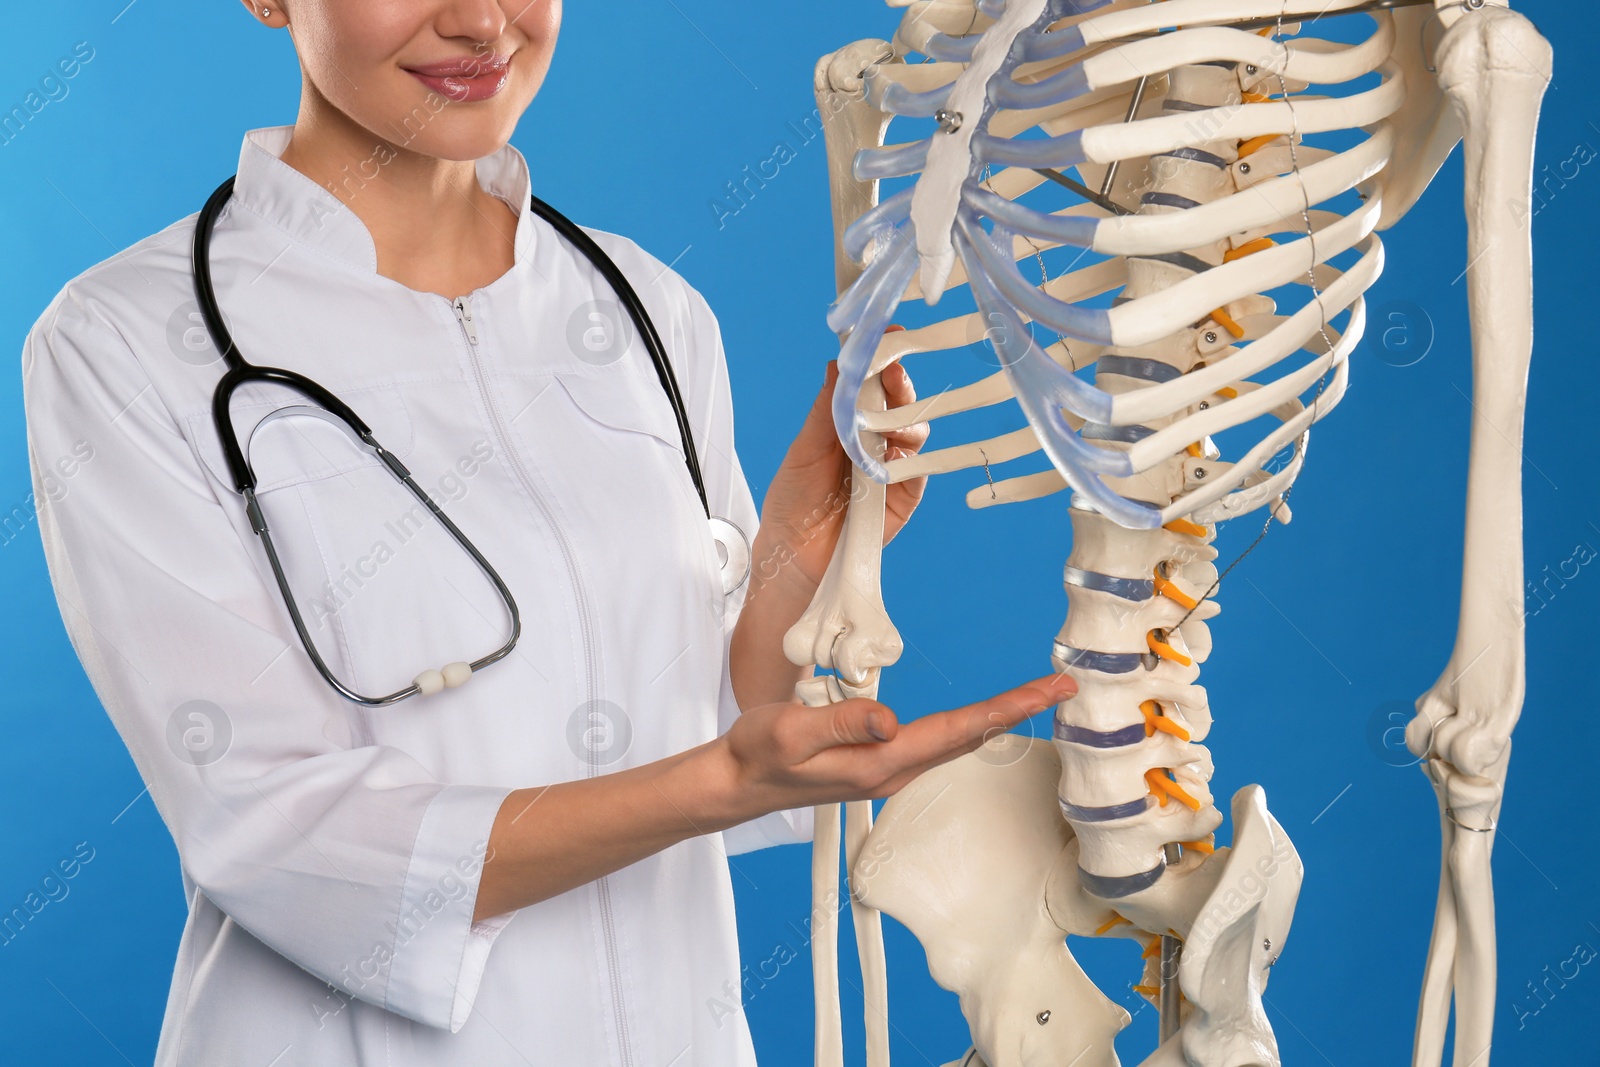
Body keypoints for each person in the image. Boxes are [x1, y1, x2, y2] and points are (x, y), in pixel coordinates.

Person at [19, 1, 1080, 1064]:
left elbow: (722, 720)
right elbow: (267, 827)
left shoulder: (647, 312)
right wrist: (712, 785)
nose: (482, 22)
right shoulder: (127, 345)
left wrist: (796, 556)